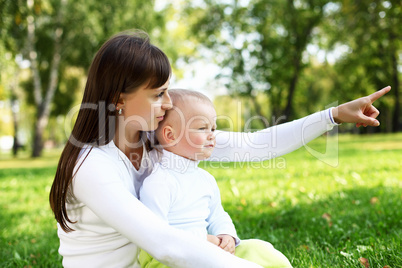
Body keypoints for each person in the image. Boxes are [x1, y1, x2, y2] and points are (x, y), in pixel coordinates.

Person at [49, 30, 390, 268]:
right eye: (158, 94)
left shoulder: (156, 139)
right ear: (118, 100)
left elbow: (256, 145)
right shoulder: (92, 165)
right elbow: (164, 244)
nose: (168, 103)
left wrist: (332, 115)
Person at [139, 89, 293, 268]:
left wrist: (226, 235)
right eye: (202, 128)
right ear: (170, 135)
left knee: (259, 249)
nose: (212, 134)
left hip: (208, 249)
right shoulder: (158, 181)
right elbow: (156, 234)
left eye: (213, 128)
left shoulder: (205, 179)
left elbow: (217, 215)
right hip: (167, 259)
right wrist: (203, 240)